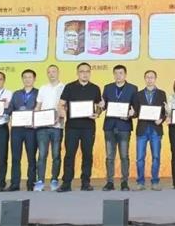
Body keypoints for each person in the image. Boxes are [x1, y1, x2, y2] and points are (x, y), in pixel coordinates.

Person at [57, 62, 102, 192]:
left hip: (88, 127)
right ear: (77, 73)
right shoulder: (69, 87)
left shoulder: (95, 88)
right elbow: (61, 104)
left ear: (90, 73)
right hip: (72, 127)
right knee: (69, 155)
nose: (85, 74)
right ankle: (66, 183)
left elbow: (99, 105)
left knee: (87, 155)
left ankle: (86, 182)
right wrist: (62, 113)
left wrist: (97, 113)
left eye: (87, 71)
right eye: (82, 71)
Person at [100, 64, 138, 192]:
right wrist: (101, 105)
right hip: (109, 126)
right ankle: (109, 182)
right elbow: (103, 106)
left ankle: (124, 182)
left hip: (124, 126)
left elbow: (135, 109)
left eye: (121, 73)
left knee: (124, 156)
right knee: (109, 157)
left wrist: (132, 114)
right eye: (116, 73)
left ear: (125, 74)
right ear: (113, 74)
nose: (118, 75)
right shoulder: (108, 87)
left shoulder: (133, 88)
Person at [132, 69, 167, 191]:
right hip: (142, 129)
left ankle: (155, 182)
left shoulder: (162, 93)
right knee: (140, 158)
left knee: (156, 157)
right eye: (147, 77)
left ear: (155, 79)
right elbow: (136, 112)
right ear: (144, 79)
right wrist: (132, 113)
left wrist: (161, 119)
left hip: (156, 129)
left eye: (152, 77)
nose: (149, 79)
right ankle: (140, 182)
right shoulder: (138, 94)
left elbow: (165, 112)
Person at [6, 69, 39, 191]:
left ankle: (31, 183)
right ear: (22, 79)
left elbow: (41, 110)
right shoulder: (16, 94)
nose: (27, 79)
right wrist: (2, 108)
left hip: (31, 130)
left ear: (34, 79)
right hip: (17, 130)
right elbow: (10, 110)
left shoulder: (39, 93)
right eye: (25, 77)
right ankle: (15, 184)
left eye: (30, 77)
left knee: (31, 158)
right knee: (15, 158)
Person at [34, 64, 65, 192]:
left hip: (57, 127)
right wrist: (34, 118)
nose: (51, 74)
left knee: (56, 155)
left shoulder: (64, 87)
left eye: (54, 71)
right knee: (42, 154)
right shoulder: (43, 88)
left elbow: (66, 106)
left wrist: (60, 116)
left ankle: (54, 179)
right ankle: (40, 180)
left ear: (58, 72)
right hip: (42, 126)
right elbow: (38, 106)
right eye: (49, 72)